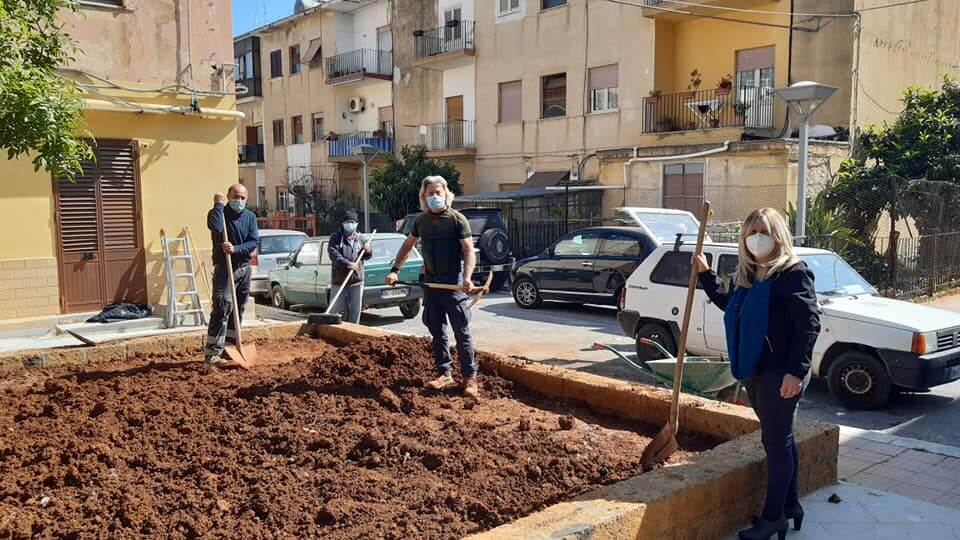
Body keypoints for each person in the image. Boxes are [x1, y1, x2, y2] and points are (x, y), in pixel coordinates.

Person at [693, 208, 820, 540]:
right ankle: (791, 505)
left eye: (763, 231)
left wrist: (796, 372)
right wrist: (706, 275)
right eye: (751, 233)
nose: (757, 239)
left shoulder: (793, 274)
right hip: (755, 370)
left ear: (778, 236)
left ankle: (773, 518)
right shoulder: (749, 276)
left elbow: (808, 325)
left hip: (781, 374)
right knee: (779, 440)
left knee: (775, 443)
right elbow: (732, 306)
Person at [385, 176, 479, 397]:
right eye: (430, 193)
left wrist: (467, 278)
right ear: (424, 196)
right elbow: (408, 245)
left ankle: (469, 378)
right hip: (431, 284)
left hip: (453, 284)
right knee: (437, 332)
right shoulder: (421, 221)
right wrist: (395, 269)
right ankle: (444, 374)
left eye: (438, 192)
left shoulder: (457, 219)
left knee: (461, 331)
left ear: (446, 194)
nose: (435, 196)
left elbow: (468, 250)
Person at [204, 183, 260, 365]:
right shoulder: (219, 214)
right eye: (236, 197)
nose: (239, 201)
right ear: (228, 197)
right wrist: (218, 205)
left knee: (238, 309)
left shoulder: (250, 217)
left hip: (244, 268)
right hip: (225, 269)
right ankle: (213, 353)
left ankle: (230, 347)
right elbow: (215, 227)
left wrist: (236, 249)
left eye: (243, 198)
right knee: (222, 306)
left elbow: (254, 241)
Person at [327, 210, 372, 324]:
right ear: (343, 224)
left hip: (356, 281)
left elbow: (367, 256)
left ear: (356, 224)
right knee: (334, 310)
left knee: (355, 311)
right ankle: (332, 329)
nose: (350, 224)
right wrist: (348, 264)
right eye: (347, 222)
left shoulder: (361, 239)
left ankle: (354, 329)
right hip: (339, 280)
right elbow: (333, 255)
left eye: (352, 222)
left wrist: (368, 250)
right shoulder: (336, 237)